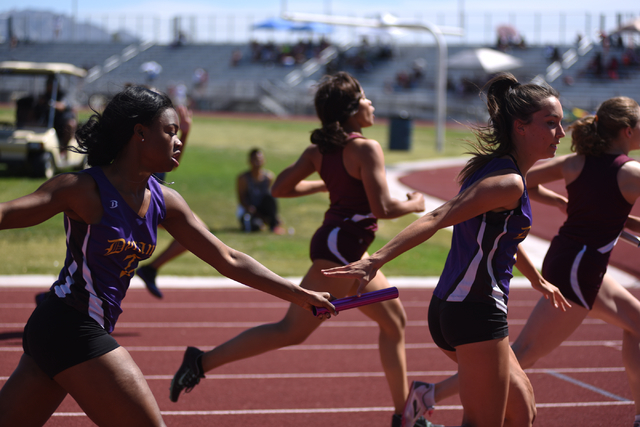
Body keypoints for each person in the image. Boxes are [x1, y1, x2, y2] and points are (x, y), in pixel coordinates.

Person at [0, 86, 336, 427]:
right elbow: (6, 215)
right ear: (140, 133)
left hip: (62, 330)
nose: (178, 142)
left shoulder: (165, 202)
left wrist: (301, 296)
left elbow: (229, 259)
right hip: (69, 324)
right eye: (170, 132)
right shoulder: (83, 189)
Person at [169, 71, 427, 427]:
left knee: (395, 323)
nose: (371, 104)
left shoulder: (320, 151)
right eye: (365, 98)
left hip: (348, 250)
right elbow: (383, 208)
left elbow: (281, 189)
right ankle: (200, 361)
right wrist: (414, 203)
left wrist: (325, 184)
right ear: (352, 110)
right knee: (291, 331)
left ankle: (406, 416)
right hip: (342, 254)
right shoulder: (366, 148)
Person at [323, 73, 570, 427]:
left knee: (521, 411)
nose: (561, 134)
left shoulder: (496, 170)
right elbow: (439, 216)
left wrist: (537, 280)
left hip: (456, 307)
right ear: (520, 127)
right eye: (551, 124)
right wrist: (374, 261)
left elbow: (502, 238)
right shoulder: (508, 182)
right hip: (475, 311)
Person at [409, 97, 640, 427]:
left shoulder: (578, 161)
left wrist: (571, 204)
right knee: (520, 355)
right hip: (578, 270)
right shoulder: (630, 170)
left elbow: (527, 181)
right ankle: (428, 395)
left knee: (636, 323)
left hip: (568, 259)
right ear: (628, 130)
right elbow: (522, 184)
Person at [135, 104, 206, 299]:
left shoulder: (158, 138)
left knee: (198, 230)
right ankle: (54, 297)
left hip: (152, 201)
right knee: (109, 263)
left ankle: (150, 270)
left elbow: (171, 164)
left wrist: (185, 133)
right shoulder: (144, 138)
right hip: (132, 202)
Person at [236, 147, 285, 234]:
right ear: (249, 161)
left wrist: (274, 215)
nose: (257, 162)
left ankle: (273, 225)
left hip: (262, 208)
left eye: (259, 159)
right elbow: (242, 199)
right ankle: (262, 222)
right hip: (249, 210)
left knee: (270, 196)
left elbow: (270, 200)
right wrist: (255, 212)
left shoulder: (269, 177)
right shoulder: (243, 178)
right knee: (255, 227)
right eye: (255, 159)